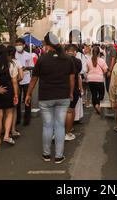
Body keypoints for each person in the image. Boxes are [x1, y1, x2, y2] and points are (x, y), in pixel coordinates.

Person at [25, 32, 75, 164]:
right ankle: (59, 156)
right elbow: (72, 78)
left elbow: (34, 79)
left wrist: (28, 94)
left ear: (47, 45)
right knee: (60, 126)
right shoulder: (67, 59)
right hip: (63, 96)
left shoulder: (42, 59)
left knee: (47, 126)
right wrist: (70, 92)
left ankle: (46, 154)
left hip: (46, 96)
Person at [0, 45, 19, 147]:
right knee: (9, 113)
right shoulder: (11, 64)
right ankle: (7, 135)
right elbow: (14, 81)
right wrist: (16, 94)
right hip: (9, 91)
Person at [64, 44, 83, 141]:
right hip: (74, 88)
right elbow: (78, 74)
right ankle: (68, 131)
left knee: (62, 110)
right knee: (71, 110)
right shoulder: (78, 61)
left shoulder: (62, 60)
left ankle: (61, 130)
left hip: (62, 88)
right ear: (75, 52)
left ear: (66, 51)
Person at [14, 38, 34, 126]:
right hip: (17, 80)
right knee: (17, 99)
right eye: (17, 44)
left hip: (26, 80)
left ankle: (27, 119)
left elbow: (32, 66)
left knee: (27, 99)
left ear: (24, 45)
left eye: (20, 44)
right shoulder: (13, 55)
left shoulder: (28, 55)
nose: (18, 46)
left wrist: (25, 68)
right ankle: (17, 118)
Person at [87, 46, 108, 115]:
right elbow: (105, 70)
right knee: (101, 94)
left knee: (94, 94)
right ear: (99, 53)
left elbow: (87, 70)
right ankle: (98, 105)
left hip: (90, 79)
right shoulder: (102, 60)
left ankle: (96, 105)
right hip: (99, 80)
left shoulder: (89, 60)